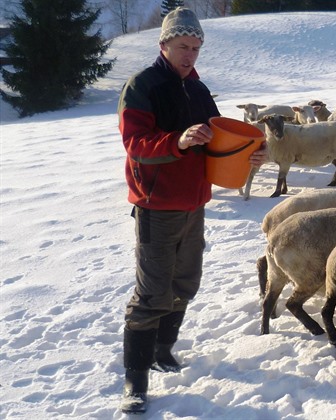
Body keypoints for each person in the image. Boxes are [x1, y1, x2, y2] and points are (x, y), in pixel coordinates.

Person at [117, 7, 267, 414]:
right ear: (163, 44)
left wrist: (250, 154)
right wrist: (178, 141)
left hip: (195, 205)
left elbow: (218, 143)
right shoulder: (142, 86)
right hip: (156, 207)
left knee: (185, 284)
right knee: (152, 293)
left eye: (196, 48)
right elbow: (136, 144)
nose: (190, 55)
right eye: (183, 46)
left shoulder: (199, 90)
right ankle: (135, 378)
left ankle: (163, 349)